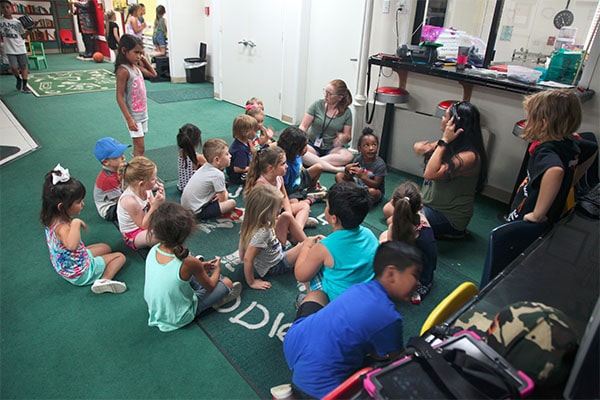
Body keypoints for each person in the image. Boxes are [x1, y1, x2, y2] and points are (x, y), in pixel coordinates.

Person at [284, 241, 422, 398]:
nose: (418, 283)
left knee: (317, 295)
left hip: (293, 342)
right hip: (318, 387)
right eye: (415, 275)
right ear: (391, 273)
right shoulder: (389, 317)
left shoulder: (359, 288)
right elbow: (398, 361)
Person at [144, 201, 242, 332]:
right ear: (186, 232)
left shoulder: (154, 249)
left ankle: (200, 284)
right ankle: (213, 299)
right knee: (227, 282)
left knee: (193, 270)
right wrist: (217, 269)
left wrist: (200, 266)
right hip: (179, 316)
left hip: (156, 309)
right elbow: (211, 285)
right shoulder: (189, 262)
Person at [41, 164, 127, 294]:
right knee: (119, 257)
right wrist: (75, 223)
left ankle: (93, 266)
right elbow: (72, 246)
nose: (82, 204)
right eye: (78, 202)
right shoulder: (62, 228)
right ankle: (103, 281)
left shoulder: (51, 218)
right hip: (79, 272)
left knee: (105, 247)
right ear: (61, 207)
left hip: (67, 264)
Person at [413, 101, 488, 239]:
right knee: (390, 209)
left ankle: (454, 232)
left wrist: (445, 140)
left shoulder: (470, 156)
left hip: (448, 216)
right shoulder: (453, 143)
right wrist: (420, 147)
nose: (442, 119)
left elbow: (430, 173)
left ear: (454, 124)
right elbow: (425, 147)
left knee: (400, 222)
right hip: (428, 206)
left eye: (445, 116)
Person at [505, 89, 581, 224]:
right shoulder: (571, 142)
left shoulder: (546, 150)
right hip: (552, 211)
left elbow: (555, 171)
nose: (528, 122)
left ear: (543, 123)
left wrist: (537, 214)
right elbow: (593, 148)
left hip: (528, 215)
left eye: (531, 118)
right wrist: (572, 180)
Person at [294, 182, 379, 301]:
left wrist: (306, 247)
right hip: (365, 297)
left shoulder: (323, 248)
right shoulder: (369, 234)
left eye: (327, 206)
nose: (326, 208)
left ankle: (312, 303)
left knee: (310, 268)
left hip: (338, 304)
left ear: (334, 218)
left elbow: (301, 275)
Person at [239, 185, 323, 290]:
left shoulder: (251, 219)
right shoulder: (262, 233)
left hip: (274, 246)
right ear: (266, 211)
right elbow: (248, 259)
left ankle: (300, 240)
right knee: (310, 242)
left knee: (286, 216)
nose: (280, 209)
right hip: (276, 264)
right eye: (278, 208)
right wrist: (251, 282)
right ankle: (309, 248)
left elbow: (243, 239)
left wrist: (241, 254)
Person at [379, 181, 437, 304]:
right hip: (421, 275)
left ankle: (407, 287)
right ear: (420, 207)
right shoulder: (424, 227)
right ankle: (418, 288)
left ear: (393, 203)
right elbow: (432, 260)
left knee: (383, 238)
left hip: (405, 273)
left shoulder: (394, 227)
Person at [245, 145, 316, 238]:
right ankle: (296, 229)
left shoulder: (279, 177)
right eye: (283, 164)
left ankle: (295, 228)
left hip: (278, 211)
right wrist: (280, 219)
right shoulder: (261, 186)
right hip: (266, 219)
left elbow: (285, 197)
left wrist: (289, 215)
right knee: (276, 228)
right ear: (270, 168)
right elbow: (261, 214)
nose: (286, 166)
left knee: (304, 206)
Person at [300, 79, 354, 173]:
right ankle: (334, 169)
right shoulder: (317, 105)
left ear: (339, 97)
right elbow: (303, 127)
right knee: (300, 153)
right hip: (312, 144)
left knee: (349, 156)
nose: (326, 95)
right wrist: (300, 141)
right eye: (326, 92)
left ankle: (312, 162)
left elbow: (348, 137)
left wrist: (343, 138)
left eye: (330, 94)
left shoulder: (347, 112)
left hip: (332, 148)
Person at [115, 34, 157, 157]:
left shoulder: (135, 67)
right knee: (140, 148)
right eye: (136, 52)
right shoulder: (123, 71)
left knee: (140, 146)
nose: (138, 56)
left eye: (140, 53)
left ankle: (137, 168)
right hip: (134, 116)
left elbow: (153, 74)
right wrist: (129, 119)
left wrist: (143, 59)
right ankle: (137, 173)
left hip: (142, 112)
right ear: (124, 51)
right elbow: (119, 96)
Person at [181, 138, 238, 220]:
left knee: (223, 186)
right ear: (217, 160)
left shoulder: (205, 166)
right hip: (197, 212)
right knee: (232, 203)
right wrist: (224, 192)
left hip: (186, 207)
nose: (230, 156)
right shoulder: (218, 175)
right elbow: (223, 200)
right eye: (227, 154)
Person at [117, 156, 165, 250]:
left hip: (147, 223)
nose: (156, 180)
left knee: (171, 221)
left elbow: (157, 211)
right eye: (153, 179)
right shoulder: (130, 201)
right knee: (160, 234)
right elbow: (143, 225)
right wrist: (155, 206)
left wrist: (161, 199)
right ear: (141, 184)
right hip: (134, 233)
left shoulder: (146, 189)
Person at [336, 127, 387, 206]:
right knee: (339, 176)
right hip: (359, 186)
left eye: (374, 145)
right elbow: (349, 177)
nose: (371, 148)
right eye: (366, 145)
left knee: (372, 192)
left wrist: (362, 176)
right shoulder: (358, 159)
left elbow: (376, 184)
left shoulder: (380, 164)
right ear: (359, 149)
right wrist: (347, 170)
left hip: (372, 189)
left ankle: (355, 199)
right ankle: (354, 196)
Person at [277, 126, 326, 204]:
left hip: (300, 178)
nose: (306, 148)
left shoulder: (297, 155)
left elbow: (300, 168)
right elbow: (283, 186)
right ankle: (310, 199)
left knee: (318, 167)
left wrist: (313, 180)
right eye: (304, 147)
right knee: (295, 204)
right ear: (295, 148)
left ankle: (312, 189)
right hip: (291, 190)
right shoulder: (284, 164)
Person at [93, 137, 130, 222]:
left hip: (122, 193)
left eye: (122, 153)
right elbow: (121, 200)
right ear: (105, 162)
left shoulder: (122, 166)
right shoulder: (107, 179)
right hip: (110, 208)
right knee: (133, 207)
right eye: (117, 156)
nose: (123, 157)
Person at [0, 0, 31, 93]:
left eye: (7, 7)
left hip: (20, 47)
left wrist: (30, 30)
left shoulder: (18, 22)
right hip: (9, 48)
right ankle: (18, 78)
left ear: (12, 9)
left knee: (23, 66)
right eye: (2, 7)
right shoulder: (0, 21)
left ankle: (25, 85)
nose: (5, 9)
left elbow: (23, 36)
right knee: (13, 68)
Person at [226, 114, 258, 185]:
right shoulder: (240, 150)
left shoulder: (245, 141)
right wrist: (253, 168)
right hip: (238, 176)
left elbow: (253, 151)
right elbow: (237, 169)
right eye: (254, 131)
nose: (256, 133)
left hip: (244, 166)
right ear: (246, 132)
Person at [176, 123, 206, 192]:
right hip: (193, 190)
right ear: (197, 142)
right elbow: (212, 167)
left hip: (182, 186)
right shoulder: (198, 157)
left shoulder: (180, 153)